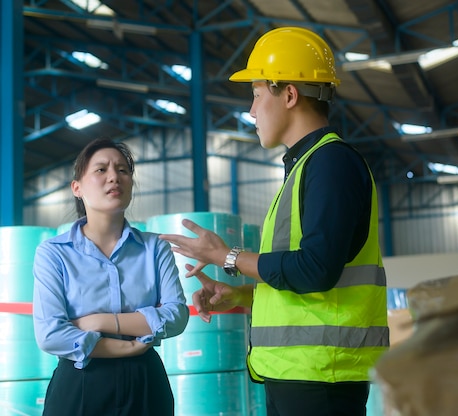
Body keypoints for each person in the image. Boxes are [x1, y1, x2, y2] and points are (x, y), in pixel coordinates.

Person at [159, 26, 389, 416]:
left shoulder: (331, 165)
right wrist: (244, 295)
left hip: (321, 380)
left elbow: (315, 269)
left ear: (290, 94)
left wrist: (227, 256)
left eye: (256, 95)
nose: (250, 111)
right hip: (301, 376)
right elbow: (305, 280)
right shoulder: (305, 167)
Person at [33, 137, 189, 416]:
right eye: (101, 169)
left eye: (123, 170)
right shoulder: (54, 253)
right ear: (77, 188)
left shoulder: (154, 248)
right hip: (81, 382)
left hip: (145, 383)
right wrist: (127, 346)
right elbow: (50, 334)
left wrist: (99, 321)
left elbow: (176, 315)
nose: (114, 177)